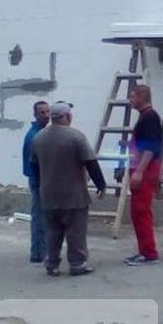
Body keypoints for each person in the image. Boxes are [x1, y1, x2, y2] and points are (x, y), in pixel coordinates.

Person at [30, 101, 106, 277]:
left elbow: (33, 165)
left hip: (48, 194)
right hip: (73, 195)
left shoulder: (39, 138)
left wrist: (42, 184)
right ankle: (77, 264)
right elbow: (91, 162)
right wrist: (100, 184)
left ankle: (52, 264)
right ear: (68, 117)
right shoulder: (76, 137)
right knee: (76, 232)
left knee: (52, 232)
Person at [125, 85, 163, 266]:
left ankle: (149, 254)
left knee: (141, 211)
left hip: (146, 170)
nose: (130, 100)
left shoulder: (149, 118)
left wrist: (139, 171)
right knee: (137, 211)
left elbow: (150, 148)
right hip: (143, 168)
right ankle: (144, 251)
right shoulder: (146, 117)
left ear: (142, 97)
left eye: (132, 96)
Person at [22, 100, 50, 264]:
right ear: (35, 115)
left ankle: (40, 251)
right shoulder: (34, 136)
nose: (46, 116)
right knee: (40, 218)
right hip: (38, 181)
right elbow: (33, 164)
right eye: (42, 113)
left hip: (40, 180)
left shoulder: (41, 133)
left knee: (42, 217)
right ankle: (38, 253)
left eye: (48, 112)